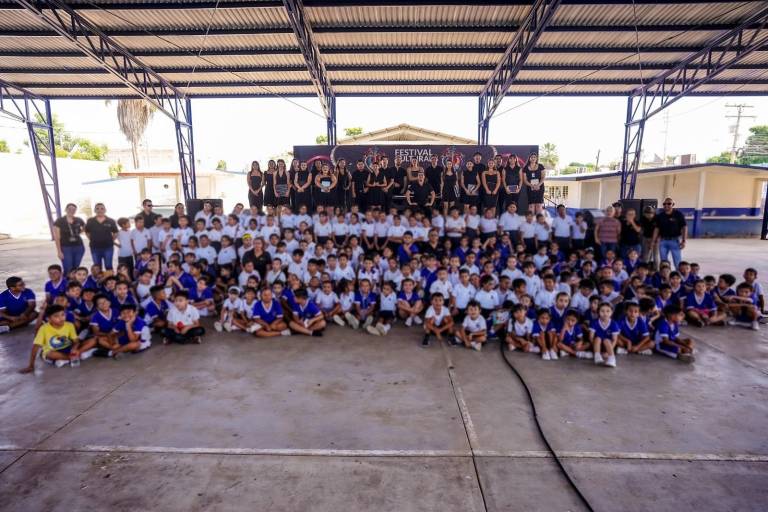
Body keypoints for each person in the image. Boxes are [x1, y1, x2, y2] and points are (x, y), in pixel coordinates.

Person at [19, 304, 94, 373]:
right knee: (49, 354)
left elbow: (76, 341)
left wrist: (75, 348)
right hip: (53, 350)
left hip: (68, 347)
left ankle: (69, 358)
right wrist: (31, 366)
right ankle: (78, 356)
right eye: (56, 316)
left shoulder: (69, 325)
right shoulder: (44, 328)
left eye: (63, 315)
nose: (61, 318)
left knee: (92, 340)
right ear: (49, 319)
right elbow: (35, 347)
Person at [653, 197, 687, 270]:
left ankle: (678, 277)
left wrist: (684, 240)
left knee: (677, 262)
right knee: (663, 262)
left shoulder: (678, 214)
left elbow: (684, 227)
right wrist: (653, 241)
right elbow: (657, 229)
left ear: (673, 204)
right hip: (663, 241)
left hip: (675, 241)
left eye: (669, 204)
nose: (666, 205)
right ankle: (665, 276)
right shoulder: (660, 216)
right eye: (664, 204)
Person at [53, 203, 87, 274]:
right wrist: (59, 251)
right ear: (66, 210)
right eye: (70, 209)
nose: (72, 211)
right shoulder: (59, 221)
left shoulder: (78, 220)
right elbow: (57, 237)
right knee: (68, 268)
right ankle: (67, 283)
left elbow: (85, 227)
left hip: (79, 247)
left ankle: (74, 284)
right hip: (66, 248)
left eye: (74, 209)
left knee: (76, 268)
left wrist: (78, 232)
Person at [85, 203, 118, 271]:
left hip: (108, 247)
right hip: (95, 248)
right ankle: (99, 281)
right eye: (97, 208)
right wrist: (92, 239)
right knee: (97, 267)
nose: (100, 210)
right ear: (94, 210)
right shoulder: (90, 221)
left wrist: (111, 240)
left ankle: (109, 280)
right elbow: (87, 232)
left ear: (105, 210)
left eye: (102, 208)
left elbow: (115, 232)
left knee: (108, 265)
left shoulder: (111, 221)